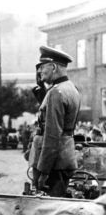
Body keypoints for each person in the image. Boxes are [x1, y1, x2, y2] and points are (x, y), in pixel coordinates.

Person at [33, 45, 81, 197]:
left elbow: (52, 134)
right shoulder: (70, 88)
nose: (39, 71)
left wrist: (44, 171)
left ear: (53, 67)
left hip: (53, 164)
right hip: (63, 158)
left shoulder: (56, 92)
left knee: (48, 211)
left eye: (42, 67)